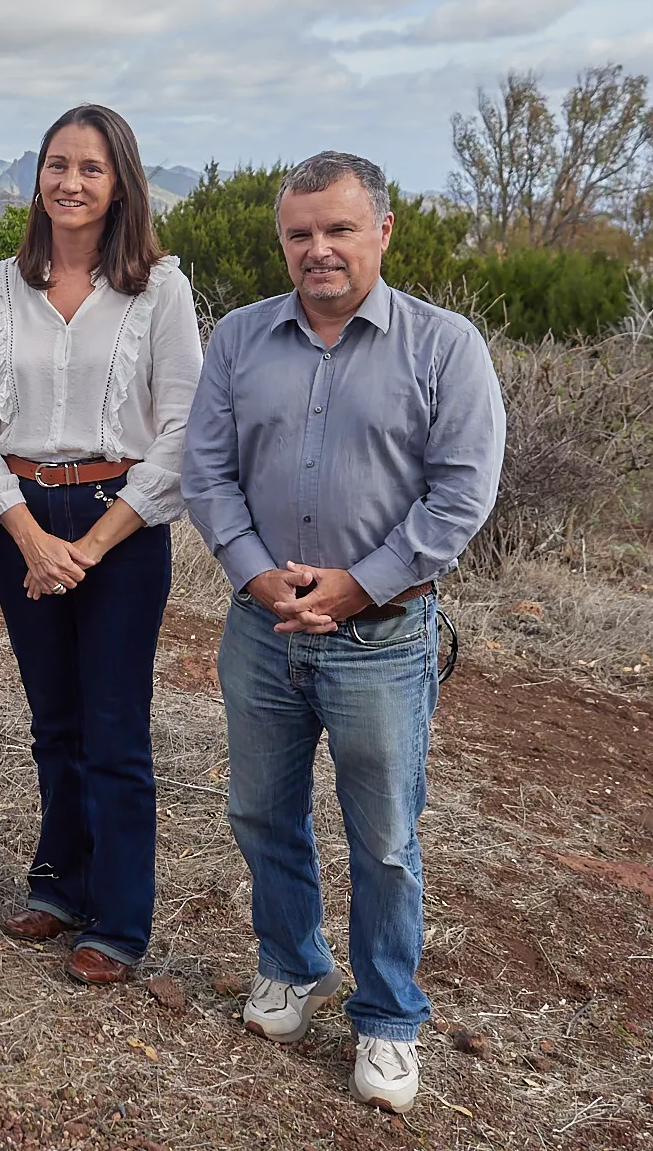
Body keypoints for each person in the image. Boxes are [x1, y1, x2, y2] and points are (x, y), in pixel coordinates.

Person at [183, 151, 504, 1115]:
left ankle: (389, 1018)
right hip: (262, 627)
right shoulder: (239, 340)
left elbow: (462, 493)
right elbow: (207, 475)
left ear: (383, 231)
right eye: (299, 234)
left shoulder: (444, 346)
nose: (318, 249)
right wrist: (257, 574)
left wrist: (360, 587)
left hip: (385, 641)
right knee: (260, 813)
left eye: (338, 229)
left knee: (387, 839)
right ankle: (291, 963)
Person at [0, 104, 203, 986]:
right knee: (53, 718)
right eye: (57, 165)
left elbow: (182, 433)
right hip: (22, 521)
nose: (70, 182)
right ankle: (60, 885)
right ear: (38, 178)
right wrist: (26, 534)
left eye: (91, 168)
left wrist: (90, 546)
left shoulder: (160, 291)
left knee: (114, 727)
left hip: (120, 526)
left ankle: (120, 921)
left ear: (121, 183)